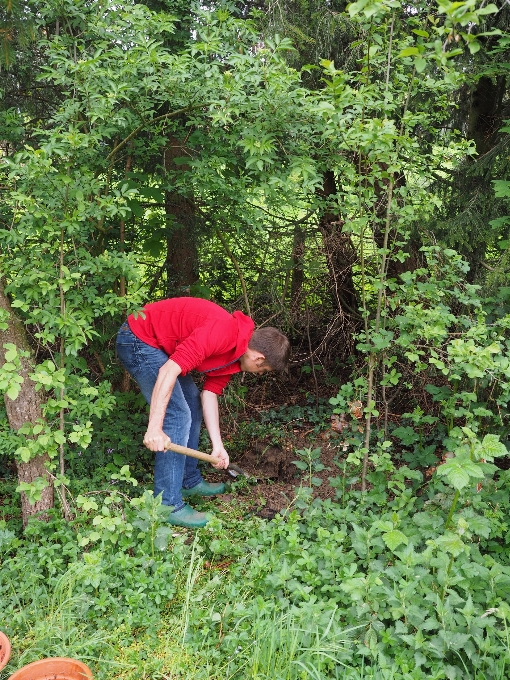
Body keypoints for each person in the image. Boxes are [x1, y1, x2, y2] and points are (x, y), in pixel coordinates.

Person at [116, 297, 291, 528]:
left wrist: (218, 446)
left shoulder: (235, 356)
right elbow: (169, 371)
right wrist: (155, 427)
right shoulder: (222, 333)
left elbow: (208, 395)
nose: (258, 375)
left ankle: (189, 481)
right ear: (259, 358)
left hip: (158, 346)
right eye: (263, 371)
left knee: (191, 403)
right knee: (177, 414)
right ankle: (167, 505)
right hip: (138, 338)